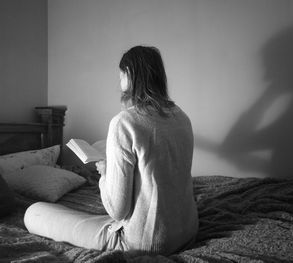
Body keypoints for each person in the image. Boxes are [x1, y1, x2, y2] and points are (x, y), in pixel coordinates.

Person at [24, 45, 198, 256]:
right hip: (188, 231)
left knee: (33, 212)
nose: (119, 80)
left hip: (146, 243)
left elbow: (117, 210)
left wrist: (105, 173)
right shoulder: (182, 117)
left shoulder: (125, 122)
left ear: (130, 75)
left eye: (121, 74)